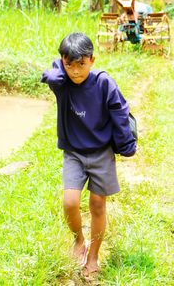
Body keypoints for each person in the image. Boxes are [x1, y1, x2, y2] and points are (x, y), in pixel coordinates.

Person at [41, 32, 136, 280]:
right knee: (70, 202)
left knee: (97, 205)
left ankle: (93, 255)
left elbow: (120, 112)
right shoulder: (62, 85)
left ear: (92, 60)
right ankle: (78, 241)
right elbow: (51, 75)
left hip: (101, 154)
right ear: (63, 62)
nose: (75, 71)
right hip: (73, 153)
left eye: (81, 64)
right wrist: (61, 66)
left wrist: (127, 145)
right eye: (69, 64)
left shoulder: (104, 83)